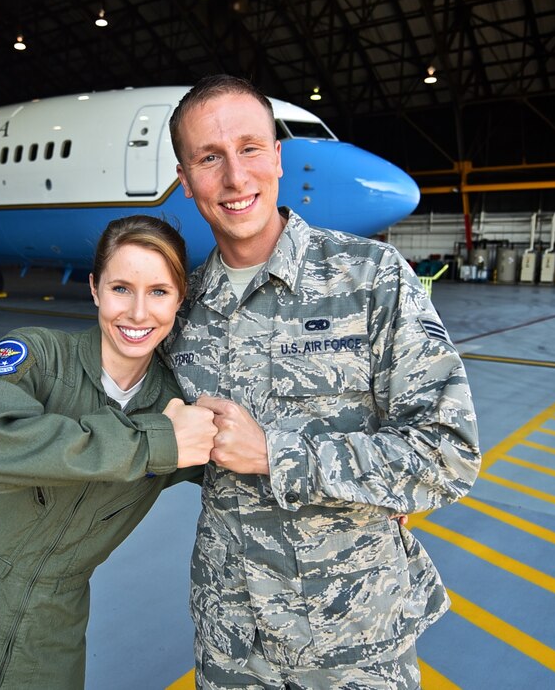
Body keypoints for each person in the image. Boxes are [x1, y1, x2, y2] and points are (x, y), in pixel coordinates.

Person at [164, 75, 482, 689]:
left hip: (354, 644)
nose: (235, 178)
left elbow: (450, 454)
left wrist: (279, 455)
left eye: (251, 148)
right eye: (210, 158)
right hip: (233, 646)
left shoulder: (370, 278)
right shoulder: (182, 312)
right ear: (185, 180)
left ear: (278, 158)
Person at [0, 214, 217, 689]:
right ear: (94, 289)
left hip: (52, 628)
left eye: (158, 292)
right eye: (120, 289)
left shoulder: (172, 404)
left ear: (180, 299)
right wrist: (154, 443)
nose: (137, 313)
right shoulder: (35, 356)